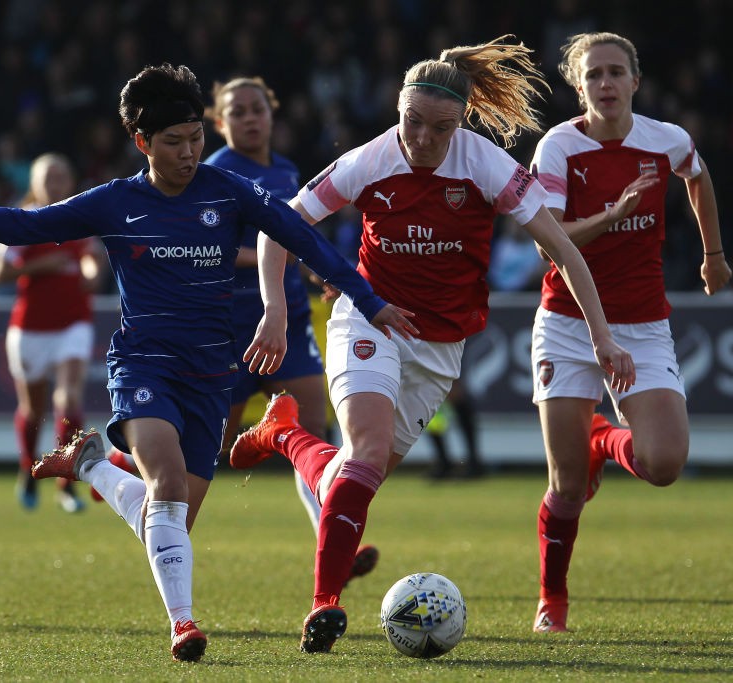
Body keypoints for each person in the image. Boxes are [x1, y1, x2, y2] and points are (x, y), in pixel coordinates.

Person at [0, 62, 415, 663]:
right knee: (168, 486)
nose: (188, 152)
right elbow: (27, 227)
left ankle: (93, 466)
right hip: (145, 365)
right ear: (141, 142)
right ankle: (184, 625)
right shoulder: (116, 201)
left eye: (196, 139)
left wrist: (370, 300)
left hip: (212, 372)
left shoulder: (227, 190)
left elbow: (304, 240)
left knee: (165, 515)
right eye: (173, 143)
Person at [229, 35, 635, 654]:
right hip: (371, 318)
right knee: (362, 454)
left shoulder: (488, 167)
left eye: (439, 129)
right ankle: (324, 606)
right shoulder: (370, 159)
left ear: (462, 122)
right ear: (398, 108)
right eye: (412, 122)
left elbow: (564, 250)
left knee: (352, 477)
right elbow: (277, 226)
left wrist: (602, 337)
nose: (421, 139)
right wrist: (276, 312)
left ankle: (283, 434)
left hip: (441, 346)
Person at [527, 32, 732, 633]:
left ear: (636, 82)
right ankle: (553, 601)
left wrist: (713, 254)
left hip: (642, 324)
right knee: (565, 487)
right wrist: (612, 216)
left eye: (617, 72)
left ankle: (602, 441)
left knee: (664, 462)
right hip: (567, 323)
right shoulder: (558, 147)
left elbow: (699, 178)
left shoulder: (666, 141)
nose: (607, 84)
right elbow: (552, 241)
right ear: (579, 86)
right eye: (594, 75)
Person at [202, 76, 380, 581]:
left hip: (291, 320)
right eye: (238, 112)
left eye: (258, 108)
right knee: (211, 450)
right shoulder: (213, 174)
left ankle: (335, 545)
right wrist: (274, 255)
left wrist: (311, 267)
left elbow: (293, 233)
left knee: (313, 433)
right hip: (230, 327)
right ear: (220, 123)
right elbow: (209, 249)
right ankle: (114, 470)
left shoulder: (285, 169)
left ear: (272, 114)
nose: (251, 118)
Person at [0, 152, 106, 513]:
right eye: (47, 177)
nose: (55, 183)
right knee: (33, 408)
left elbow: (92, 256)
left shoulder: (79, 217)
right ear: (34, 184)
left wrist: (90, 273)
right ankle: (28, 468)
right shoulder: (23, 223)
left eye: (61, 176)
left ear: (71, 183)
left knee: (68, 400)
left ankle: (66, 482)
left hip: (73, 323)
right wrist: (42, 265)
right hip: (30, 329)